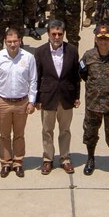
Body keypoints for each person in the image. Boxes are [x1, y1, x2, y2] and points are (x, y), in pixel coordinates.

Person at [0, 25, 38, 176]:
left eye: (15, 41)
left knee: (19, 134)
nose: (12, 44)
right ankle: (5, 162)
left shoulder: (28, 57)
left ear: (20, 41)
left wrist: (32, 101)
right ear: (5, 42)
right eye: (9, 41)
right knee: (4, 135)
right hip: (3, 101)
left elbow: (33, 80)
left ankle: (17, 162)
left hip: (22, 102)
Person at [33, 19, 81, 174]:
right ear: (48, 34)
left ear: (64, 34)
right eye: (53, 33)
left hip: (66, 97)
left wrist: (76, 96)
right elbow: (37, 76)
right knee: (47, 130)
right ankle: (48, 159)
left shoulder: (72, 50)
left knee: (65, 130)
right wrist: (37, 99)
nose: (57, 36)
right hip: (48, 97)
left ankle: (65, 158)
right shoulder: (40, 52)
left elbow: (76, 76)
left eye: (60, 34)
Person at [80, 25, 109, 176]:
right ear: (95, 39)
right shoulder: (88, 56)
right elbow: (82, 74)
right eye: (100, 39)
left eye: (106, 39)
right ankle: (90, 159)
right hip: (93, 104)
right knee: (90, 134)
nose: (103, 42)